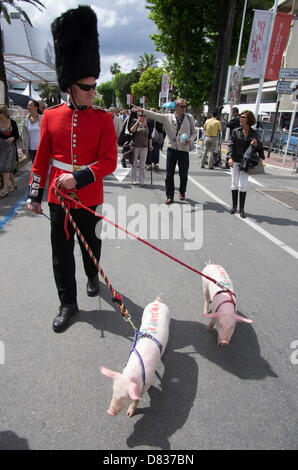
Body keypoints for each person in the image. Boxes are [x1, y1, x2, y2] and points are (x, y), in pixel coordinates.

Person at [26, 6, 117, 333]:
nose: (93, 92)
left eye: (95, 86)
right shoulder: (50, 116)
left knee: (90, 245)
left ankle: (93, 275)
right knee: (61, 253)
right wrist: (35, 193)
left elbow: (109, 161)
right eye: (87, 87)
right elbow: (42, 159)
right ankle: (68, 302)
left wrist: (77, 177)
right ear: (70, 86)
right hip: (57, 199)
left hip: (89, 194)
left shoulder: (104, 119)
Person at [133, 98, 196, 203]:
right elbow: (154, 115)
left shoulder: (189, 118)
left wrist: (190, 139)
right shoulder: (168, 117)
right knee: (169, 174)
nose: (184, 108)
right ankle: (170, 196)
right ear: (175, 107)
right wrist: (142, 110)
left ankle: (182, 191)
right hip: (172, 149)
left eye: (185, 106)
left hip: (184, 150)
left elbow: (194, 132)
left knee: (183, 174)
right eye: (182, 106)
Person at [227, 110, 264, 218]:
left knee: (243, 185)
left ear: (249, 120)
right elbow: (231, 145)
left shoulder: (254, 134)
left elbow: (259, 150)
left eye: (243, 117)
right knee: (234, 184)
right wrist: (230, 157)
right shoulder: (236, 131)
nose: (240, 119)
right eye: (240, 117)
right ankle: (234, 206)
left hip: (246, 163)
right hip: (235, 160)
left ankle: (242, 209)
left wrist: (256, 145)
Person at [128, 110, 153, 184]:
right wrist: (137, 122)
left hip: (144, 146)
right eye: (140, 116)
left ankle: (141, 179)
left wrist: (151, 145)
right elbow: (131, 130)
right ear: (138, 116)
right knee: (134, 163)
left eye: (143, 116)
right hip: (135, 146)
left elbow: (150, 136)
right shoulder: (135, 122)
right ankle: (133, 178)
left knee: (142, 164)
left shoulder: (148, 124)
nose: (142, 117)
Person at [0, 105, 19, 198]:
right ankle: (14, 185)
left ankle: (5, 190)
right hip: (1, 148)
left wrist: (13, 137)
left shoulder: (12, 122)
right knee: (8, 170)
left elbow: (17, 136)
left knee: (5, 170)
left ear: (3, 113)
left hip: (9, 149)